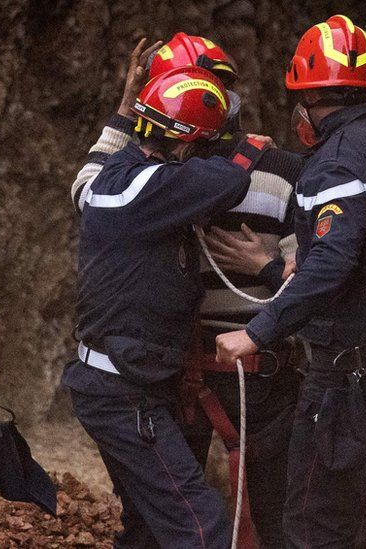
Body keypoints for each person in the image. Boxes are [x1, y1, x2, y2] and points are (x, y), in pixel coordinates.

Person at [216, 14, 366, 548]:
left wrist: (257, 331)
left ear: (310, 102)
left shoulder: (335, 164)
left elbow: (334, 262)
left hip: (356, 374)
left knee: (313, 518)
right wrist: (291, 266)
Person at [72, 35, 303, 548]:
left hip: (199, 374)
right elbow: (311, 279)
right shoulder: (263, 172)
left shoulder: (125, 177)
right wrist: (267, 269)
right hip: (188, 373)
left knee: (166, 521)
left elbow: (85, 187)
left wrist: (125, 111)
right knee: (206, 522)